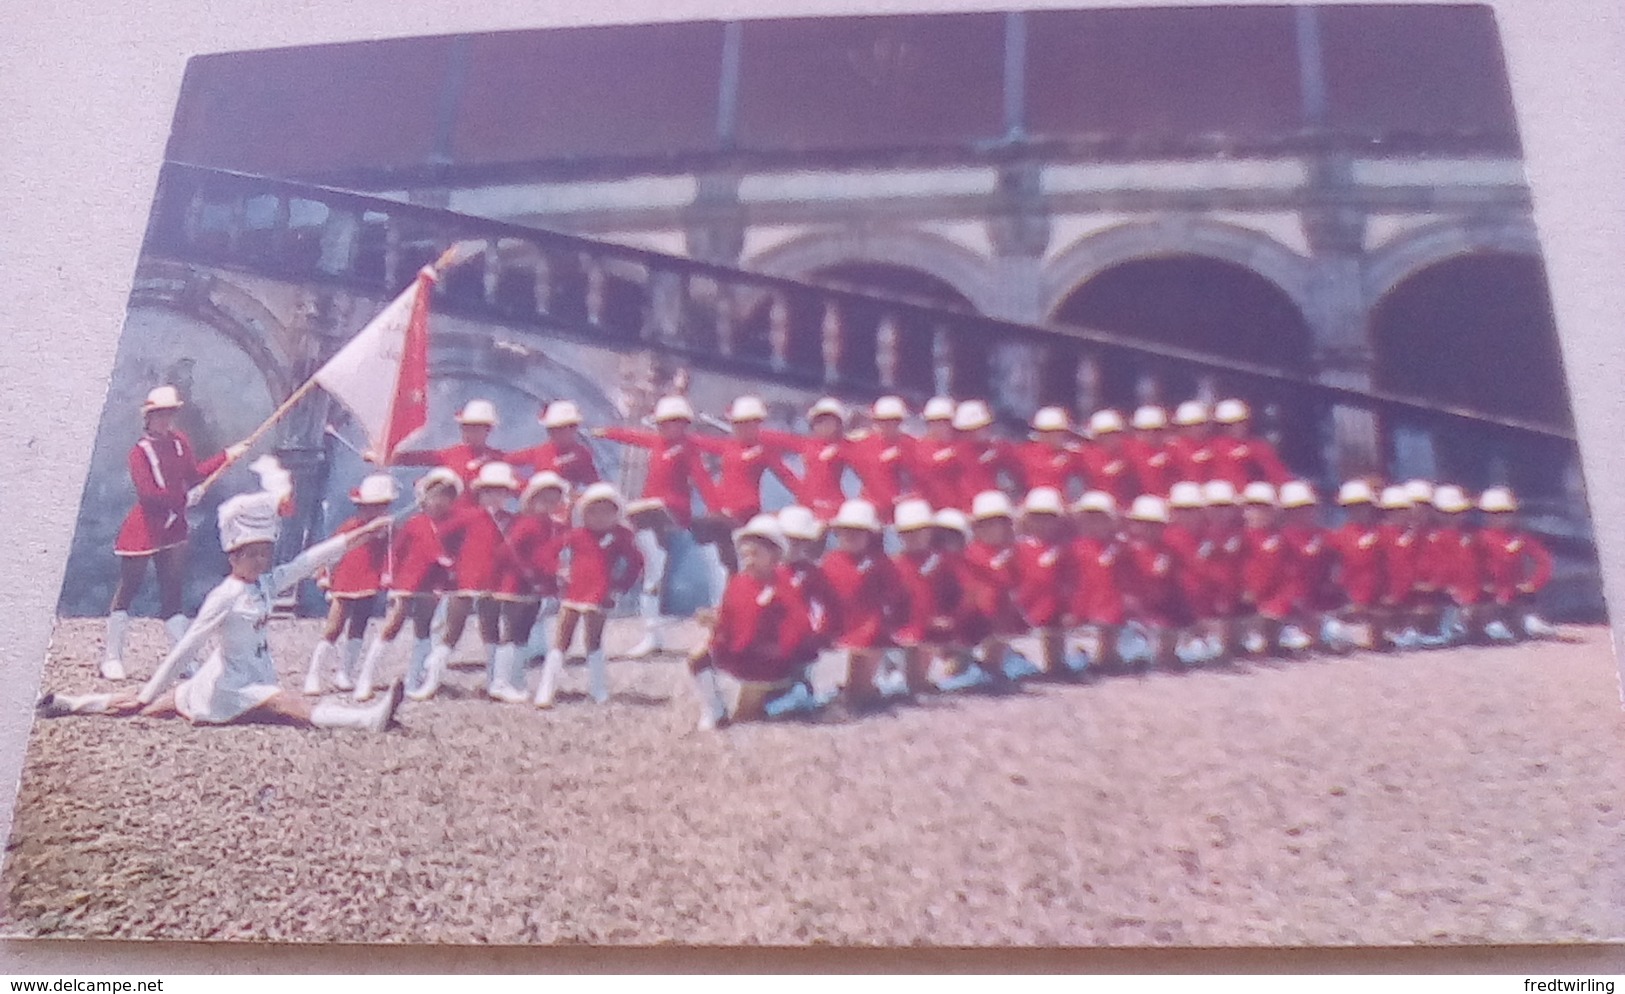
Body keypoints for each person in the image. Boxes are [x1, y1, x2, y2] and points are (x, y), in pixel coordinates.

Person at [41, 466, 403, 733]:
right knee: (146, 704)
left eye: (265, 553)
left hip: (249, 675)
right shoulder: (224, 596)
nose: (260, 561)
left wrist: (364, 533)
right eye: (252, 555)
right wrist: (151, 689)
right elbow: (188, 645)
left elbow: (309, 560)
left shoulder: (267, 582)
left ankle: (70, 703)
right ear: (233, 557)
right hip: (229, 685)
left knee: (157, 709)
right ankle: (366, 720)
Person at [104, 385, 249, 681]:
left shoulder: (180, 442)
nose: (165, 420)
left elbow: (193, 474)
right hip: (145, 528)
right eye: (160, 415)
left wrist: (225, 456)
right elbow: (149, 494)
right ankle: (112, 657)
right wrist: (185, 499)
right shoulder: (139, 453)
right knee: (128, 589)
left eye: (170, 414)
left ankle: (184, 659)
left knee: (172, 593)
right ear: (149, 417)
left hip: (174, 528)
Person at [595, 395, 719, 658]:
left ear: (684, 424)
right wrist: (608, 432)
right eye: (666, 423)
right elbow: (634, 437)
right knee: (651, 568)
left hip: (672, 512)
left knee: (656, 567)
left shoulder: (687, 447)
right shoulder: (657, 442)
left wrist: (716, 507)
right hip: (648, 509)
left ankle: (654, 631)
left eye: (676, 423)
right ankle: (651, 633)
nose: (670, 429)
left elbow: (702, 478)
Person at [688, 515, 817, 731]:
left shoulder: (785, 586)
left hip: (767, 661)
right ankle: (714, 711)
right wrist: (715, 622)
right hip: (740, 653)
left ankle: (792, 697)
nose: (749, 560)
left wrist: (781, 648)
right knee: (698, 657)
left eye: (756, 554)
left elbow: (799, 625)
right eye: (744, 555)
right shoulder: (739, 583)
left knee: (746, 718)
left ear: (775, 555)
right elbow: (730, 618)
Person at [353, 469, 461, 701]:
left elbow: (451, 555)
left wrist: (448, 576)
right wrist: (387, 574)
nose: (440, 501)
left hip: (431, 585)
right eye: (436, 495)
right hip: (406, 582)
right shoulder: (414, 523)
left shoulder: (451, 527)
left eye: (447, 497)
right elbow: (395, 551)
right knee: (392, 625)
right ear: (424, 498)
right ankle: (365, 678)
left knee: (424, 630)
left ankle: (414, 679)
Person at [534, 483, 643, 708]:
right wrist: (558, 569)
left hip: (600, 594)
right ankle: (546, 689)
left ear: (617, 513)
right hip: (574, 593)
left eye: (607, 511)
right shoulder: (576, 535)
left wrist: (621, 585)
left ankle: (598, 688)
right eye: (593, 511)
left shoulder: (620, 536)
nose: (600, 517)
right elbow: (545, 553)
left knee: (593, 640)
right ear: (584, 514)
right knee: (561, 639)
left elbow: (637, 561)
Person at [302, 474, 397, 696]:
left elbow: (390, 556)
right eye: (369, 507)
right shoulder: (351, 527)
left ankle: (345, 673)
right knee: (334, 628)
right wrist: (325, 574)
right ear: (361, 507)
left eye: (380, 507)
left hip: (369, 581)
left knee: (358, 628)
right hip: (345, 581)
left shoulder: (388, 530)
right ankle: (313, 675)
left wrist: (387, 575)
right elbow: (333, 551)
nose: (374, 512)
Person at [818, 499, 904, 709]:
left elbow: (895, 591)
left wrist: (891, 616)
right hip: (842, 620)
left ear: (870, 535)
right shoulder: (831, 560)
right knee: (854, 662)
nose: (851, 536)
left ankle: (864, 692)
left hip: (870, 621)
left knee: (868, 651)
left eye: (858, 532)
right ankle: (855, 691)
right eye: (846, 531)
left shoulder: (879, 561)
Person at [492, 471, 570, 696]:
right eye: (543, 499)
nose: (549, 504)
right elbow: (507, 552)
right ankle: (499, 682)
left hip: (535, 588)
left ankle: (516, 679)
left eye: (554, 500)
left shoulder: (551, 526)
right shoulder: (525, 524)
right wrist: (528, 571)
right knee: (510, 631)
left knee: (524, 633)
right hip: (515, 585)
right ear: (532, 499)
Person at [890, 498, 967, 694]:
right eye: (908, 533)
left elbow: (957, 592)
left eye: (919, 531)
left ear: (930, 532)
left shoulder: (942, 561)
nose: (914, 537)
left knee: (934, 639)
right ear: (900, 535)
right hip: (905, 628)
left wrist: (951, 617)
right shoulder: (895, 564)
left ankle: (921, 680)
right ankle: (911, 680)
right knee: (911, 643)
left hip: (935, 627)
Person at [1475, 486, 1559, 640]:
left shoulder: (1520, 538)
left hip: (1515, 594)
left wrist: (1533, 584)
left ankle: (1527, 622)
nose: (1500, 518)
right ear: (1484, 515)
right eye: (1494, 513)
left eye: (1505, 513)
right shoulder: (1478, 539)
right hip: (1489, 595)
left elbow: (1544, 561)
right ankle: (1492, 626)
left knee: (1525, 609)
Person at [1011, 487, 1079, 676]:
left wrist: (1070, 608)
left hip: (1052, 610)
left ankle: (1056, 664)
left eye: (1048, 518)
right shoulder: (1018, 548)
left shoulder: (1063, 549)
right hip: (1025, 608)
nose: (1042, 523)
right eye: (1036, 517)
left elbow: (1070, 581)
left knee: (1055, 629)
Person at [759, 397, 852, 522]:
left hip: (831, 506)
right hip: (806, 504)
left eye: (830, 422)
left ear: (839, 426)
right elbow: (775, 437)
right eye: (820, 422)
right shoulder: (807, 444)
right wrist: (750, 428)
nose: (824, 426)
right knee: (765, 520)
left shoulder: (844, 447)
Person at [391, 399, 510, 496]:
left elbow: (518, 485)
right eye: (465, 428)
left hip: (479, 520)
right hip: (449, 517)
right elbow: (420, 458)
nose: (468, 433)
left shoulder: (497, 459)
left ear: (488, 430)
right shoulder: (451, 454)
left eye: (475, 428)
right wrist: (394, 456)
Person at [1067, 491, 1128, 671]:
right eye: (1089, 519)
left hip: (1111, 598)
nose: (1095, 525)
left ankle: (1109, 657)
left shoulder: (1119, 547)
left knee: (1112, 617)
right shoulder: (1076, 547)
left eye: (1101, 519)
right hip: (1085, 599)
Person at [1327, 480, 1385, 649]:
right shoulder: (1339, 536)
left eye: (1363, 505)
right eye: (1353, 506)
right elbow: (1332, 570)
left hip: (1376, 595)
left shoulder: (1381, 534)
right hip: (1349, 596)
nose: (1359, 510)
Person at [844, 396, 917, 522]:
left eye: (893, 421)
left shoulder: (912, 445)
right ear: (876, 421)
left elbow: (920, 478)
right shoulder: (862, 444)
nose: (888, 425)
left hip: (901, 510)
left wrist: (906, 497)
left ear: (900, 422)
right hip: (871, 509)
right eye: (882, 421)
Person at [507, 400, 601, 490]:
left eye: (560, 428)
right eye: (551, 429)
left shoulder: (582, 454)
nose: (554, 433)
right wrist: (523, 486)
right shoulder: (539, 452)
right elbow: (507, 460)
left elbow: (594, 486)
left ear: (574, 428)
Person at [1375, 484, 1425, 650]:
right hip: (1388, 590)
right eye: (1392, 511)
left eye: (1402, 510)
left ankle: (1409, 631)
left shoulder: (1413, 535)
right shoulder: (1380, 535)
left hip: (1409, 589)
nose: (1397, 515)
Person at [954, 400, 1022, 509]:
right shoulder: (955, 453)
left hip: (994, 504)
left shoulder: (999, 448)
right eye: (973, 429)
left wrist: (1018, 497)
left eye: (982, 427)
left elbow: (1020, 470)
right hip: (967, 508)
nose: (980, 431)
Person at [1210, 399, 1292, 488]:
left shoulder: (1259, 447)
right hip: (1216, 498)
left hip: (1253, 498)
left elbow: (1279, 477)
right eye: (1228, 425)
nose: (1236, 427)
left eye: (1240, 422)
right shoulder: (1209, 448)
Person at [908, 397, 966, 513]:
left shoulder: (962, 445)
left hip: (960, 509)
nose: (941, 427)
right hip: (929, 511)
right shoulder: (917, 448)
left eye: (945, 423)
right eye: (936, 423)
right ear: (928, 424)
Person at [1015, 407, 1086, 498]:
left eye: (1057, 432)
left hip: (1061, 503)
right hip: (1032, 503)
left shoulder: (1073, 454)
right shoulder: (1025, 452)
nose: (1052, 436)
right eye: (1047, 432)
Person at [1077, 410, 1138, 506]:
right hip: (1097, 505)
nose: (1110, 438)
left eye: (1114, 434)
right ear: (1095, 437)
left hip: (1126, 505)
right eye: (1104, 435)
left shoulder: (1130, 450)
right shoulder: (1086, 455)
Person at [1125, 405, 1177, 498]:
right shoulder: (1128, 452)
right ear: (1136, 431)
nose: (1151, 434)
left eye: (1157, 430)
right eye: (1145, 430)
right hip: (1141, 503)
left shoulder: (1174, 450)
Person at [1166, 401, 1218, 483]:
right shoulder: (1173, 448)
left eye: (1200, 424)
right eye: (1190, 426)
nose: (1197, 429)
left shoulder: (1214, 444)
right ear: (1181, 427)